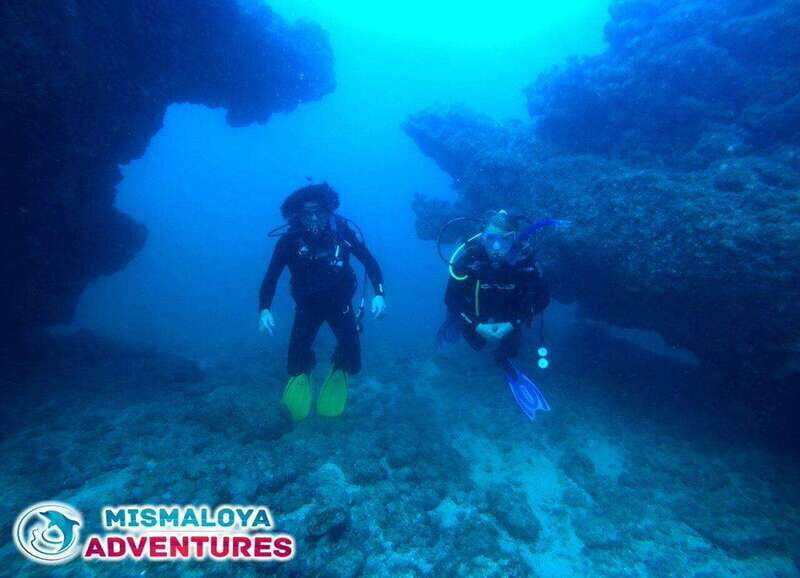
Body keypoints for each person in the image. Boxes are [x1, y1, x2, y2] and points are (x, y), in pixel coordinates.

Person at [259, 183, 386, 420]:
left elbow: (369, 261)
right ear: (298, 214)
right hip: (307, 308)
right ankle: (305, 369)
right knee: (294, 366)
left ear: (329, 210)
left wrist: (379, 293)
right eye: (308, 213)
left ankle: (339, 364)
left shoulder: (343, 233)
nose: (315, 218)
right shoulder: (289, 241)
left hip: (341, 305)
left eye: (320, 212)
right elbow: (271, 276)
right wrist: (264, 309)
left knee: (353, 364)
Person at [440, 209, 551, 419]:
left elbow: (543, 300)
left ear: (514, 239)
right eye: (490, 239)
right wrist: (475, 325)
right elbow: (451, 300)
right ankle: (454, 326)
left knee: (510, 350)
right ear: (482, 237)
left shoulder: (524, 262)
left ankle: (503, 360)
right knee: (476, 344)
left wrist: (514, 322)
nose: (496, 248)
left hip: (509, 313)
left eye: (505, 240)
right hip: (477, 311)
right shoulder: (469, 259)